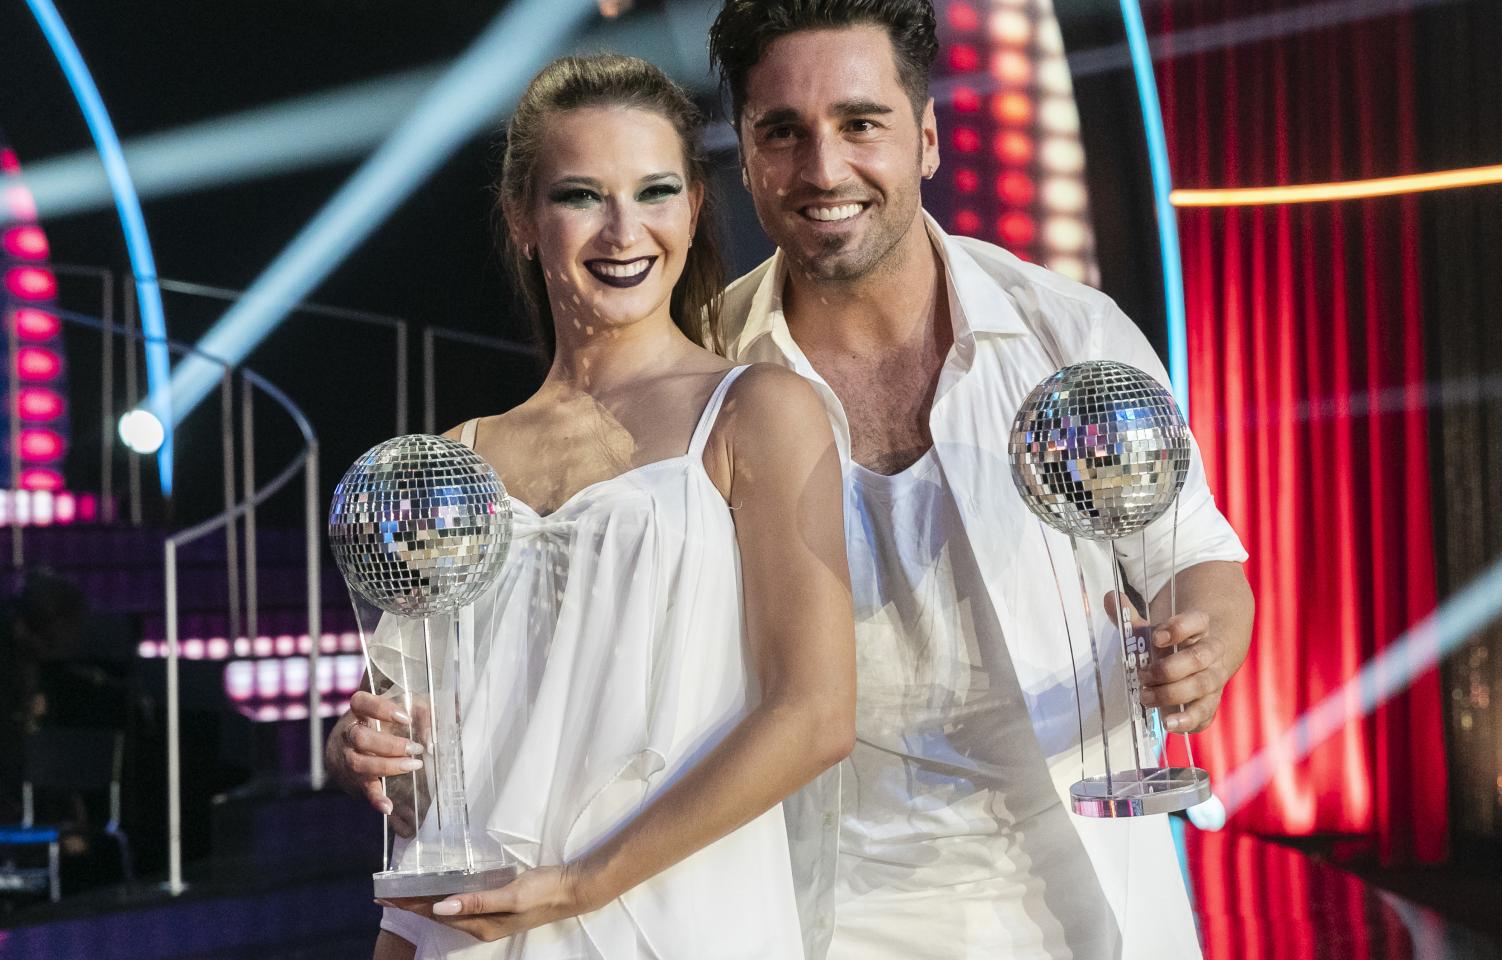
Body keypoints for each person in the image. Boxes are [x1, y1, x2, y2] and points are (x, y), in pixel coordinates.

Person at [706, 2, 1255, 957]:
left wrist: (1201, 647)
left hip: (1083, 896)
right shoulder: (705, 371)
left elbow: (1196, 558)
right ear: (748, 158)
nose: (824, 169)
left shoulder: (1066, 335)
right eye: (783, 133)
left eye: (860, 123)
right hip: (821, 911)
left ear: (925, 138)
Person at [324, 55, 856, 960]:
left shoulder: (758, 413)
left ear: (693, 205)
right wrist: (363, 749)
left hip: (680, 921)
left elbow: (814, 714)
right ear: (523, 220)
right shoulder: (459, 460)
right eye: (581, 195)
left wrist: (581, 886)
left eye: (654, 191)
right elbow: (419, 754)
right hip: (470, 932)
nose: (623, 230)